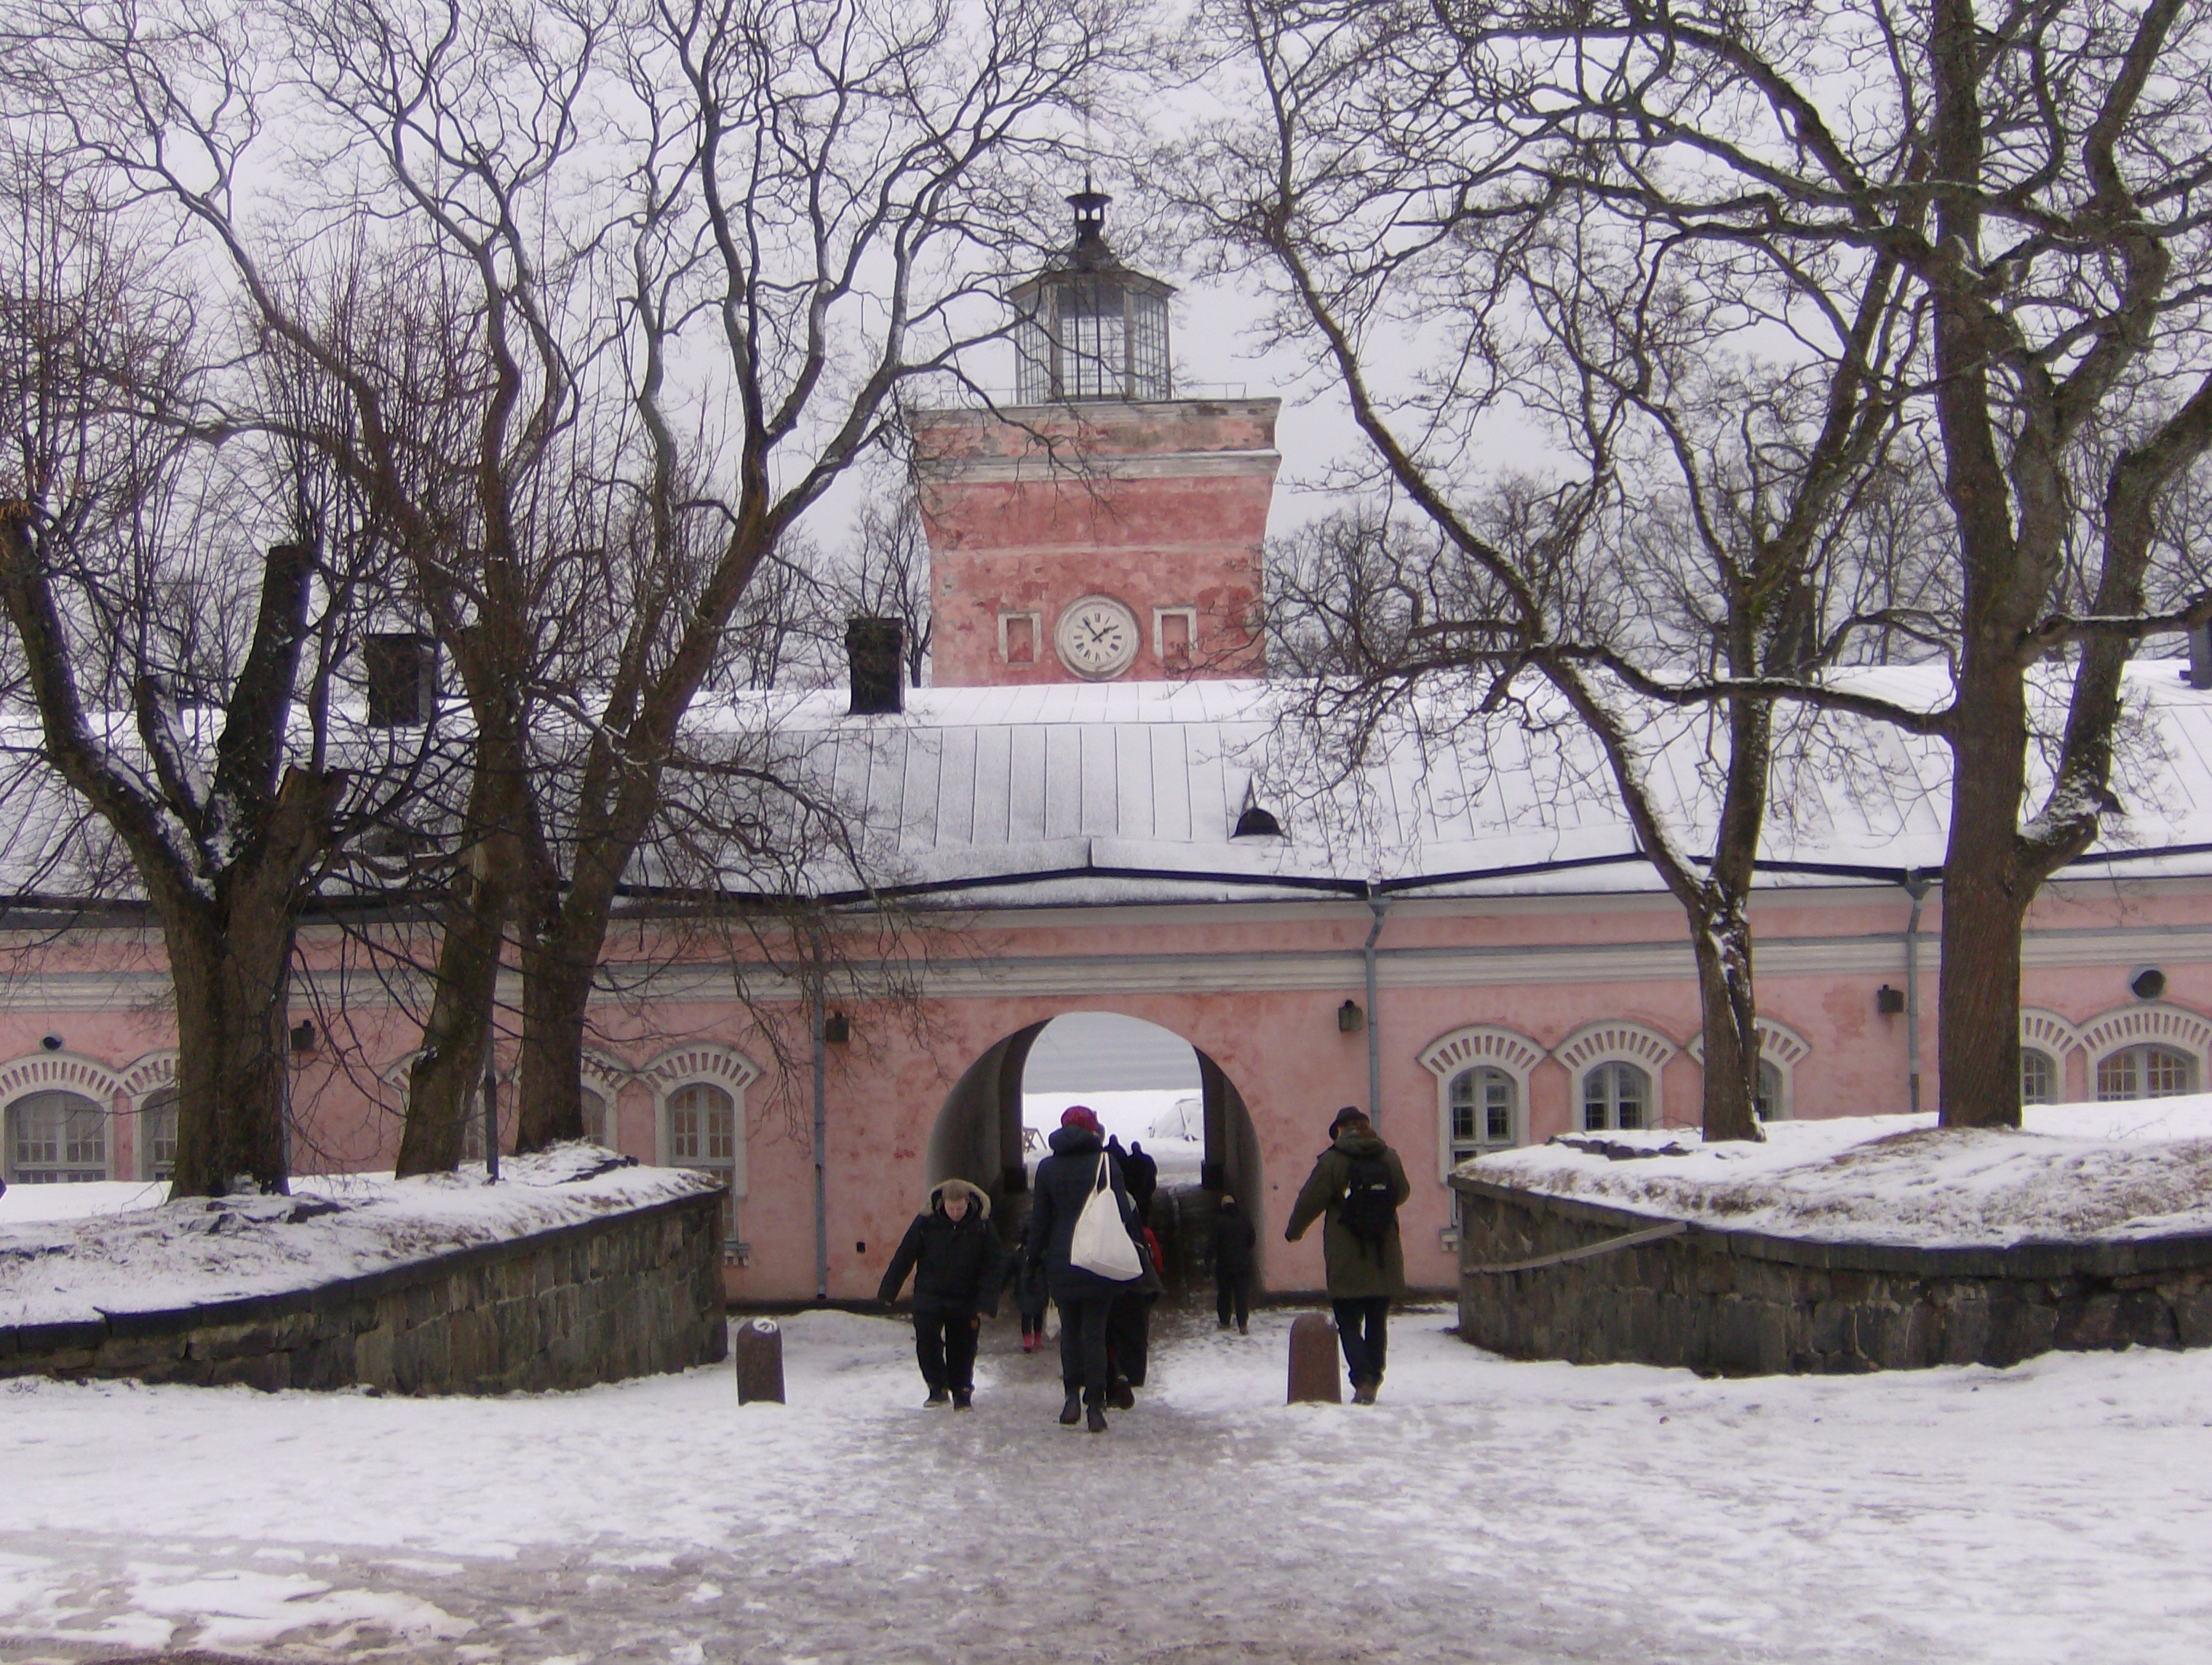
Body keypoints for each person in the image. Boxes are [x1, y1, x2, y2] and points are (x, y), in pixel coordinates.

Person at [1025, 1104, 1142, 1432]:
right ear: (1093, 1130)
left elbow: (1039, 1222)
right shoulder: (1106, 1163)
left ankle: (1070, 1398)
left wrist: (1031, 1261)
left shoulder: (1048, 1168)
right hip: (1098, 1260)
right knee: (1095, 1334)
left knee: (1070, 1333)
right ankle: (1096, 1406)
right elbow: (1123, 1213)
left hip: (1063, 1260)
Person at [1284, 1106, 1410, 1404]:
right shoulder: (1389, 1157)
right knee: (1377, 1320)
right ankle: (1374, 1377)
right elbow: (1402, 1193)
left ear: (1340, 1130)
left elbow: (1310, 1199)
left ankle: (1362, 1378)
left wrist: (1294, 1231)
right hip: (1383, 1253)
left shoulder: (1333, 1161)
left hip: (1346, 1253)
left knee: (1349, 1322)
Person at [877, 1177, 1008, 1410]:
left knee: (963, 1347)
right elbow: (905, 1255)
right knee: (927, 1342)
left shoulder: (982, 1225)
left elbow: (995, 1264)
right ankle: (937, 1388)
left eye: (960, 1208)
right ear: (943, 1204)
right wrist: (889, 1291)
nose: (955, 1213)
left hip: (965, 1297)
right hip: (929, 1295)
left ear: (968, 1202)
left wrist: (987, 1301)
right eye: (951, 1208)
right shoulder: (926, 1222)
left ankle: (962, 1392)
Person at [1006, 1210, 1051, 1353]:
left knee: (1028, 1314)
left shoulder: (1019, 1254)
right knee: (1036, 1313)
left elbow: (1009, 1271)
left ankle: (1029, 1339)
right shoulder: (1043, 1254)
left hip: (1025, 1287)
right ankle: (1036, 1338)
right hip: (1038, 1287)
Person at [1211, 1194, 1256, 1334]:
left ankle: (1225, 1321)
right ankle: (1243, 1324)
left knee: (1224, 1293)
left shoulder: (1219, 1221)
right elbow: (1252, 1239)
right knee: (1241, 1294)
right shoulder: (1245, 1220)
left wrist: (1208, 1261)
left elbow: (1213, 1244)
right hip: (1243, 1263)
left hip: (1224, 1264)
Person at [1123, 1140, 1158, 1222]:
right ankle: (1145, 1224)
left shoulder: (1128, 1161)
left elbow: (1125, 1175)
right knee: (1145, 1211)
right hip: (1147, 1190)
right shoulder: (1148, 1159)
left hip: (1134, 1192)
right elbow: (1154, 1171)